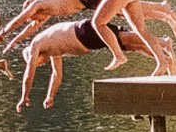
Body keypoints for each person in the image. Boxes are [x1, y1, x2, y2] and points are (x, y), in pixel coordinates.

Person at [0, 0, 176, 72]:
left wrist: (3, 32)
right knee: (125, 11)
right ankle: (161, 11)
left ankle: (161, 8)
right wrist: (12, 43)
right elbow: (28, 30)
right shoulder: (45, 13)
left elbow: (19, 20)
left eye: (33, 19)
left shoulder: (38, 5)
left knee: (124, 11)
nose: (35, 22)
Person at [16, 11, 162, 110]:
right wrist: (50, 96)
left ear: (34, 57)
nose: (41, 64)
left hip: (84, 31)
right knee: (131, 46)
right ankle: (164, 57)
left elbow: (29, 74)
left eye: (38, 63)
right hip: (86, 39)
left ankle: (163, 43)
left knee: (127, 39)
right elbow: (56, 74)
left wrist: (24, 96)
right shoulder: (53, 49)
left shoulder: (36, 44)